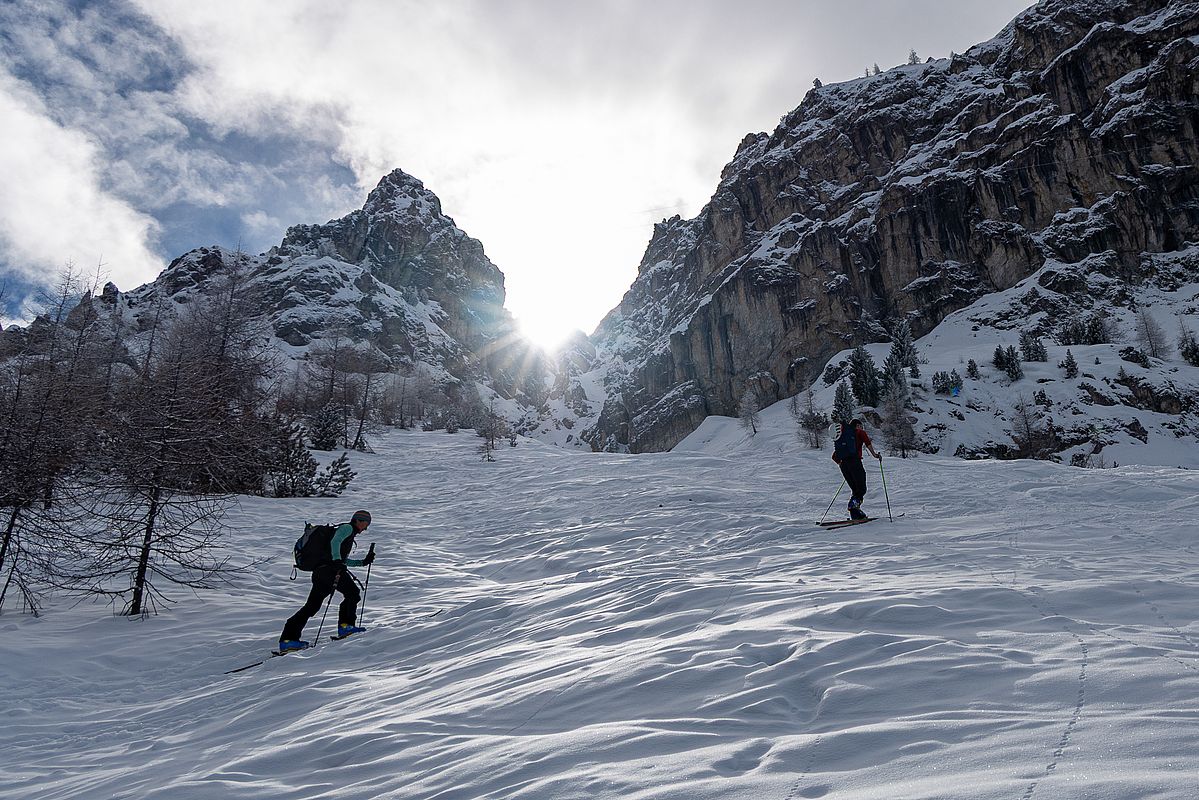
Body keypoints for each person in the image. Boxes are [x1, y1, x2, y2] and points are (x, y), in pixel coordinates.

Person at [279, 509, 376, 652]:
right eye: (366, 524)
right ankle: (346, 627)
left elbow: (341, 558)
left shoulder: (347, 532)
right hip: (331, 571)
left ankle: (288, 640)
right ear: (359, 520)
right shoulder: (347, 528)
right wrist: (336, 560)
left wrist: (362, 562)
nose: (366, 528)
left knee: (312, 606)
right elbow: (335, 542)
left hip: (320, 572)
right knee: (353, 593)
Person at [831, 419, 882, 520]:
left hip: (843, 465)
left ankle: (856, 514)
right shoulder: (859, 432)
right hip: (854, 462)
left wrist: (842, 464)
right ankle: (852, 506)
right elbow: (867, 443)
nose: (861, 428)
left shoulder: (842, 437)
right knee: (861, 488)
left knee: (855, 490)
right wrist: (875, 455)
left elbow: (834, 456)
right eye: (860, 426)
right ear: (857, 425)